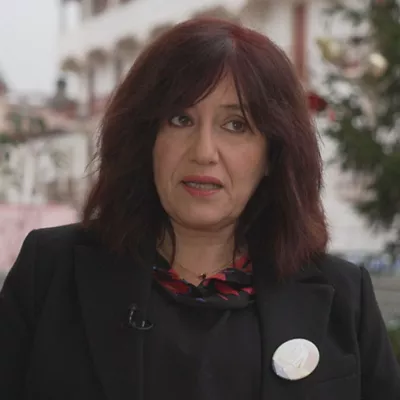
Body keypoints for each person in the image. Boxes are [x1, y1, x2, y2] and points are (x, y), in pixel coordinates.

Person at [0, 18, 399, 400]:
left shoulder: (345, 297)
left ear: (272, 154)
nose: (204, 152)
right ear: (147, 140)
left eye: (236, 125)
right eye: (181, 119)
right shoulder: (49, 272)